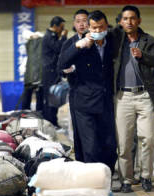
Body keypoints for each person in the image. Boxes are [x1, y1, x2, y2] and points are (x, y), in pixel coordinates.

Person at [57, 10, 117, 173]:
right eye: (94, 28)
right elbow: (61, 65)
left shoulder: (111, 41)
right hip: (83, 101)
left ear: (106, 26)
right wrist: (78, 46)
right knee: (89, 144)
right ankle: (91, 177)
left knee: (109, 143)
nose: (97, 31)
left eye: (101, 27)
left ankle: (107, 176)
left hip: (105, 101)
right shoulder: (76, 44)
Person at [113, 5, 154, 192]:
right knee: (124, 143)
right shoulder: (117, 42)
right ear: (121, 21)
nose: (129, 22)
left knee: (148, 138)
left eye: (132, 18)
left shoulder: (150, 41)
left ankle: (146, 176)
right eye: (125, 19)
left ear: (139, 20)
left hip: (144, 96)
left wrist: (143, 55)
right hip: (123, 96)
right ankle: (126, 180)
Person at [57, 9, 89, 162]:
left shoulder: (97, 42)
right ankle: (81, 161)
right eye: (78, 21)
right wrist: (67, 71)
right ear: (74, 24)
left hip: (96, 93)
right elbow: (60, 67)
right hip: (76, 91)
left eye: (85, 21)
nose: (82, 24)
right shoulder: (69, 43)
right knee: (78, 129)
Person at [41, 16, 68, 127]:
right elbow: (58, 48)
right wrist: (63, 37)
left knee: (54, 96)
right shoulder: (49, 36)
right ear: (55, 26)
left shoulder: (52, 36)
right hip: (50, 71)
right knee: (51, 97)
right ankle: (50, 121)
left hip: (53, 70)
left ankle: (53, 120)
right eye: (61, 27)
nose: (62, 30)